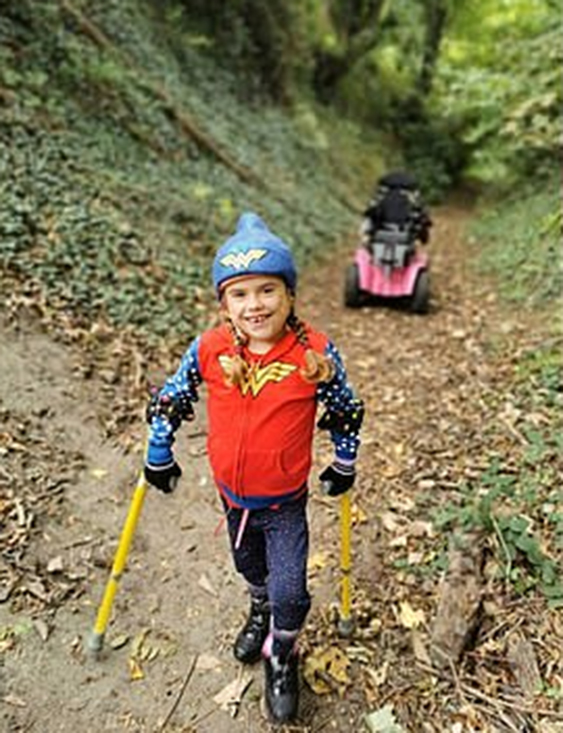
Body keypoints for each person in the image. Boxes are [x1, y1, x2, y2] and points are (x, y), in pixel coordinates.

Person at [144, 212, 363, 724]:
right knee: (250, 570)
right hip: (232, 496)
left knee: (292, 590)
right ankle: (259, 610)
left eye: (268, 290)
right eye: (239, 294)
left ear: (289, 295)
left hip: (285, 500)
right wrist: (159, 450)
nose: (255, 305)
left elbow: (346, 407)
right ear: (224, 303)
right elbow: (172, 396)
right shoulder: (210, 347)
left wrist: (345, 461)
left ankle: (281, 653)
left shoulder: (314, 352)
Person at [361, 169, 432, 246]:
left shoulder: (381, 195)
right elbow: (422, 216)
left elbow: (369, 213)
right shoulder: (412, 196)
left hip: (380, 236)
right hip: (404, 236)